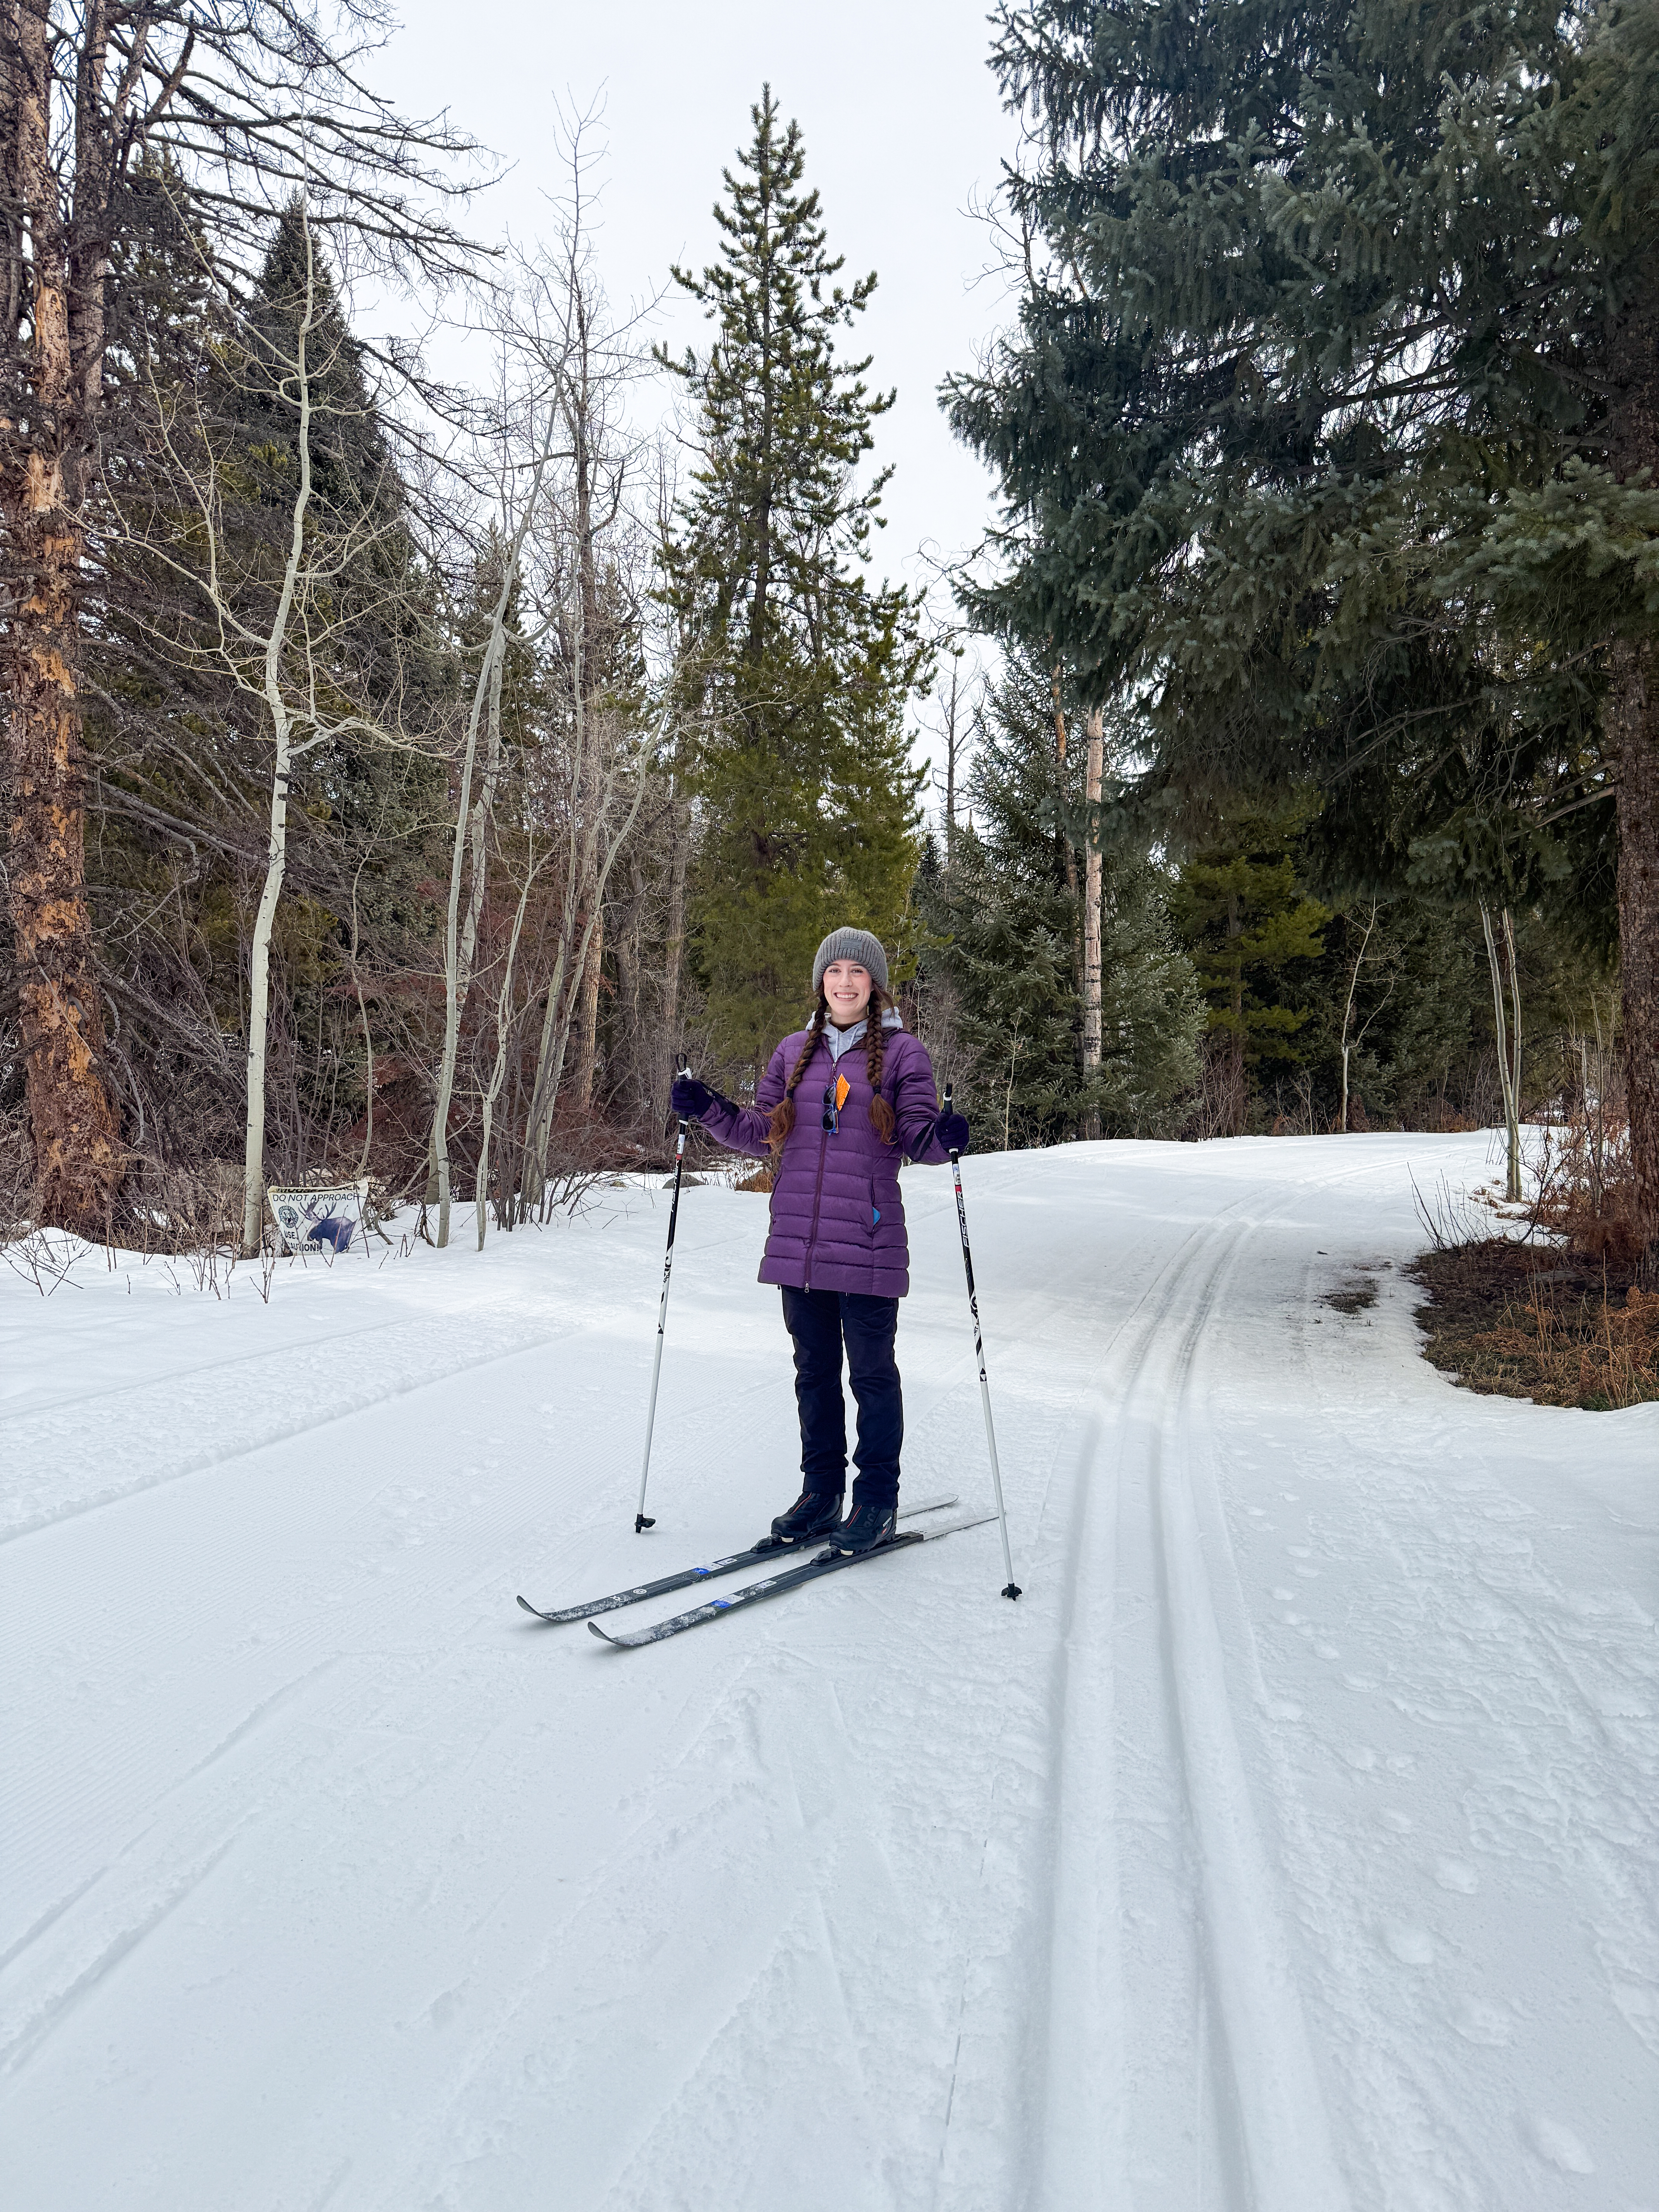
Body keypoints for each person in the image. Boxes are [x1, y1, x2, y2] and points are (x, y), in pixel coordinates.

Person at [670, 928, 969, 1554]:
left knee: (871, 1378)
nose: (844, 982)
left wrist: (946, 1137)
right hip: (798, 1245)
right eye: (834, 971)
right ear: (820, 982)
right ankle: (821, 1493)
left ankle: (876, 1502)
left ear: (875, 983)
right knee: (814, 1374)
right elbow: (762, 1134)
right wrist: (707, 1108)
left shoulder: (905, 1054)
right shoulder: (793, 1052)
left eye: (857, 972)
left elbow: (917, 1139)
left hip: (866, 1241)